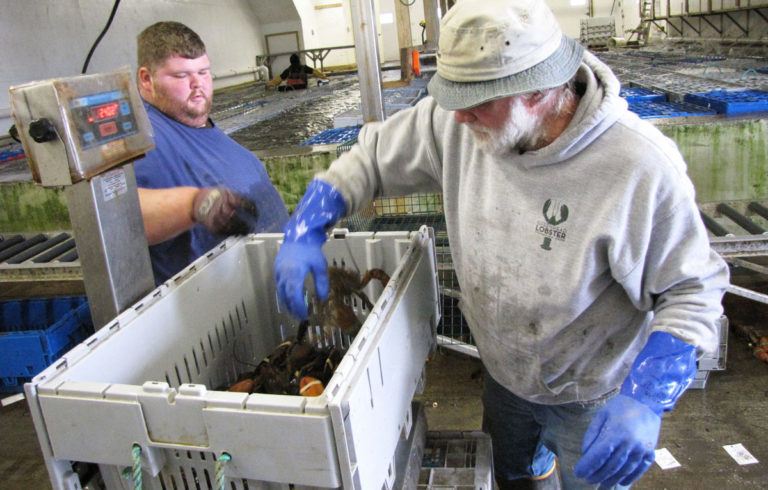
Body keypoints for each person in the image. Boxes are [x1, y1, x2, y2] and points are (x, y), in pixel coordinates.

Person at [273, 1, 730, 489]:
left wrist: (645, 396)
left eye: (480, 101)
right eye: (454, 96)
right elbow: (372, 159)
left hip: (593, 392)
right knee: (513, 476)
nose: (460, 115)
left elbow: (691, 289)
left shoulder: (638, 166)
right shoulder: (456, 122)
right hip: (504, 375)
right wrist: (307, 225)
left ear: (539, 89)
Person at [135, 21, 288, 284]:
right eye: (181, 76)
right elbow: (121, 219)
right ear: (147, 79)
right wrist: (195, 204)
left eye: (204, 73)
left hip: (267, 281)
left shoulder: (197, 127)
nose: (198, 85)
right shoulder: (142, 134)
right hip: (207, 299)